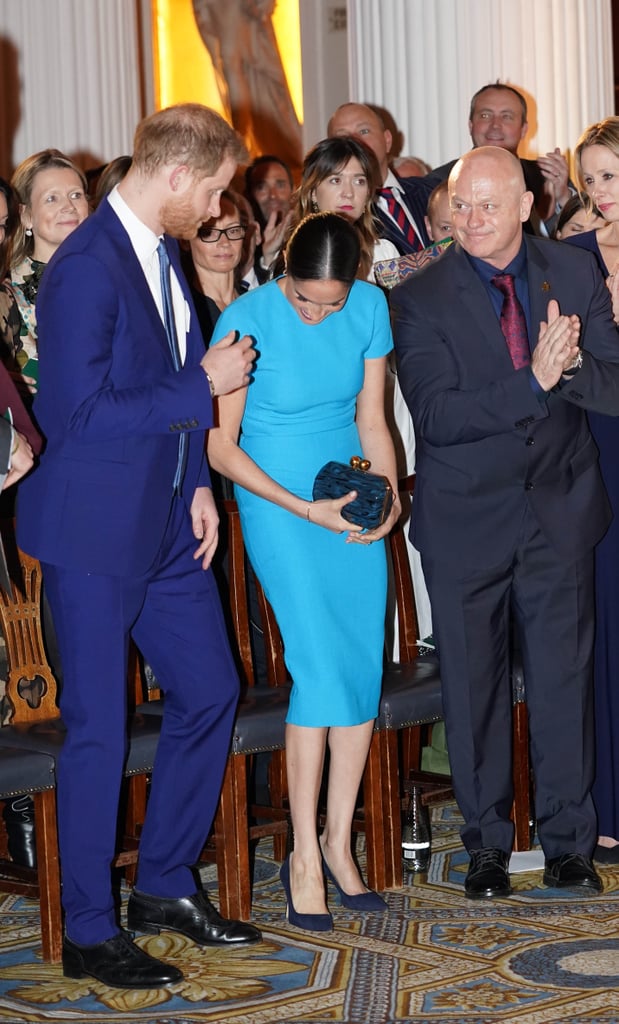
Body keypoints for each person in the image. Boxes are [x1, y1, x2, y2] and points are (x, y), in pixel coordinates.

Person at [17, 103, 260, 990]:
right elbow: (74, 416)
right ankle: (87, 927)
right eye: (214, 187)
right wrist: (203, 385)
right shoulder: (84, 269)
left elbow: (164, 386)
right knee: (99, 729)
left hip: (162, 521)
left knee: (209, 689)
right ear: (173, 175)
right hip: (90, 530)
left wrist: (196, 480)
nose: (219, 203)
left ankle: (161, 885)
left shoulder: (157, 249)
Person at [391, 145, 619, 902]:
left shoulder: (575, 271)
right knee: (473, 689)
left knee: (563, 682)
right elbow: (437, 416)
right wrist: (534, 381)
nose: (471, 220)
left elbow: (612, 387)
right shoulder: (419, 295)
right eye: (461, 206)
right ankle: (485, 848)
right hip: (464, 519)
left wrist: (572, 370)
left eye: (488, 205)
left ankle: (567, 846)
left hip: (557, 510)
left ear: (527, 205)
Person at [208, 212, 400, 931]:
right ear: (282, 272)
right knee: (318, 671)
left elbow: (372, 416)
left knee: (356, 671)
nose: (317, 313)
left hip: (346, 493)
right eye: (303, 299)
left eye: (332, 301)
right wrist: (299, 509)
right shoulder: (244, 317)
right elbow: (220, 448)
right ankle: (301, 857)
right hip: (276, 501)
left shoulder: (371, 306)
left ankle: (336, 841)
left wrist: (385, 499)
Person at [566, 116, 619, 865]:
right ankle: (606, 806)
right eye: (588, 180)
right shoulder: (568, 258)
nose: (597, 193)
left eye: (607, 176)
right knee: (601, 626)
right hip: (594, 456)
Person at [426, 83, 572, 235]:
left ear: (524, 129)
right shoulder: (438, 182)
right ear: (470, 125)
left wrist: (562, 199)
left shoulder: (548, 177)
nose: (495, 125)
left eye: (507, 117)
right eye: (485, 115)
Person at [0, 150, 89, 394]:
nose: (69, 206)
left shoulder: (110, 278)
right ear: (26, 216)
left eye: (76, 195)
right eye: (52, 199)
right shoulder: (9, 296)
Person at [274, 135, 398, 281]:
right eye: (336, 180)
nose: (349, 193)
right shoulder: (293, 254)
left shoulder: (384, 253)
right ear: (313, 192)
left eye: (359, 181)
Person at [327, 103, 433, 254]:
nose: (354, 141)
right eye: (343, 136)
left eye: (364, 131)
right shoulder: (342, 213)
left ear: (387, 140)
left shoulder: (430, 192)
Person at [182, 189, 248, 345]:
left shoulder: (256, 301)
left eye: (233, 230)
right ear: (185, 241)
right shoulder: (185, 312)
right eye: (209, 232)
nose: (224, 243)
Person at [244, 154, 294, 278]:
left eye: (280, 185)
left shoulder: (308, 235)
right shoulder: (241, 244)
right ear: (248, 194)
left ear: (293, 190)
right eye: (261, 187)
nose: (273, 195)